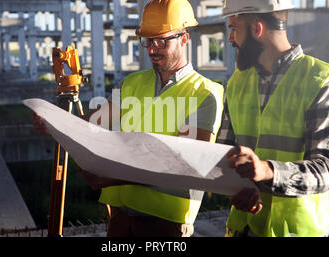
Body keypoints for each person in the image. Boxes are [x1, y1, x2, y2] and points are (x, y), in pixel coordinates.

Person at [35, 0, 224, 237]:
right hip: (120, 220)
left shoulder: (205, 93)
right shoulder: (132, 83)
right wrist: (57, 123)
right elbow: (96, 122)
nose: (153, 49)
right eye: (147, 41)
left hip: (165, 224)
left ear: (184, 39)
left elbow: (186, 164)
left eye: (161, 41)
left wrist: (113, 177)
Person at [216, 0, 329, 237]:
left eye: (233, 28)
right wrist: (236, 187)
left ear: (257, 29)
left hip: (295, 232)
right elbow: (223, 153)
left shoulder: (321, 82)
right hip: (241, 229)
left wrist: (268, 171)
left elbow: (326, 170)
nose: (230, 39)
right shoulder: (236, 83)